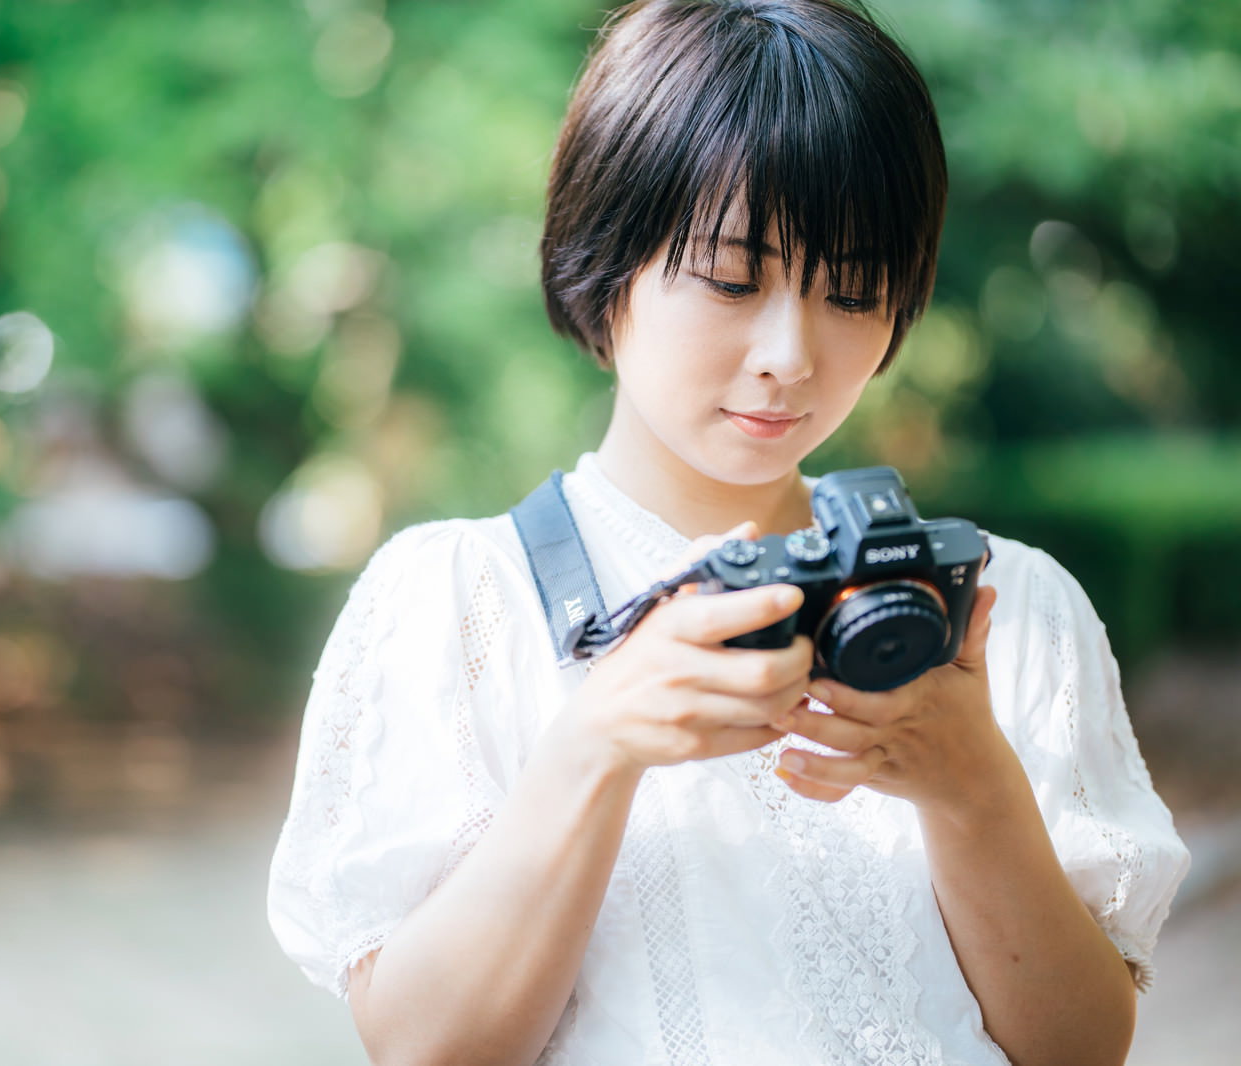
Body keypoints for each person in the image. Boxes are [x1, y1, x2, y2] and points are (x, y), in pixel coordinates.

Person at [266, 1, 1190, 1063]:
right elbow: (428, 1049)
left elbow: (1080, 1050)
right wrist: (594, 747)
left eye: (852, 289)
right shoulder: (457, 602)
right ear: (603, 260)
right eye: (729, 277)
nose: (790, 353)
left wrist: (972, 785)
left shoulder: (996, 609)